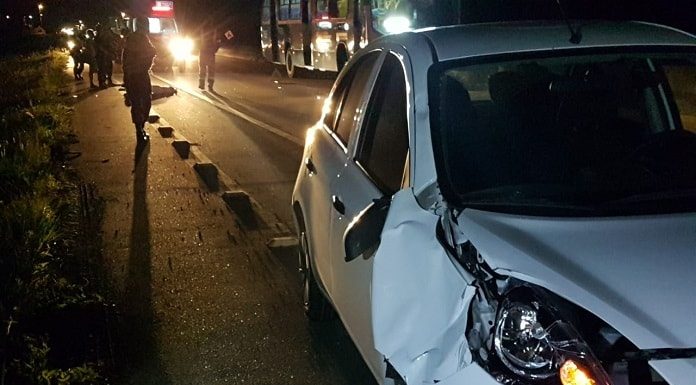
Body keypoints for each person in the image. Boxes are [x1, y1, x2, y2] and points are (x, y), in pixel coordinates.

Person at [122, 17, 156, 143]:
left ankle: (140, 128)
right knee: (142, 101)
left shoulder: (135, 39)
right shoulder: (137, 39)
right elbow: (150, 52)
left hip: (135, 75)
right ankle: (139, 129)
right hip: (138, 75)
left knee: (141, 102)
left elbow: (125, 61)